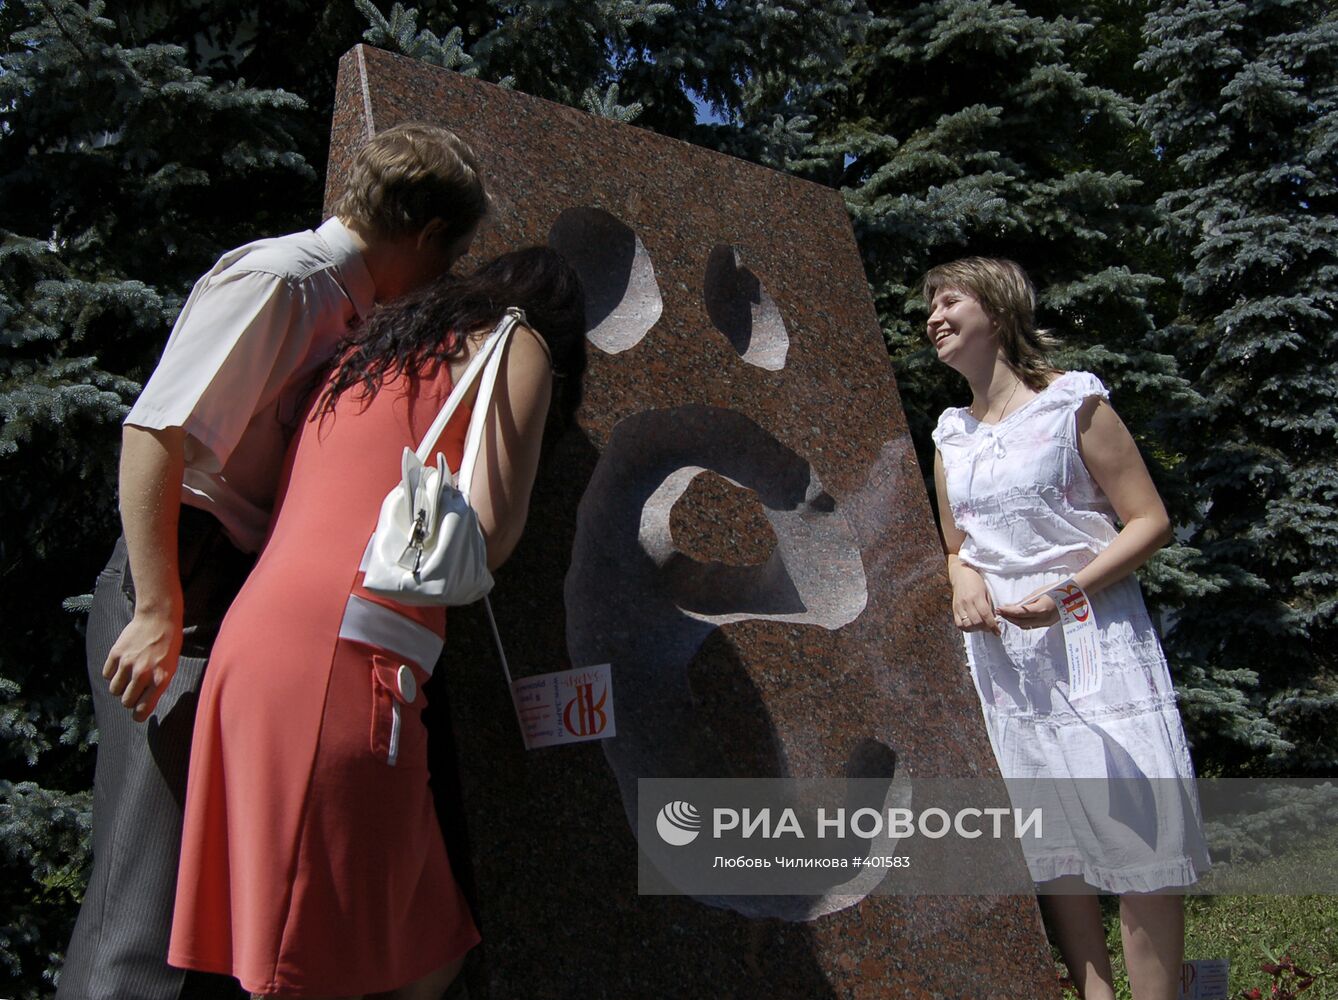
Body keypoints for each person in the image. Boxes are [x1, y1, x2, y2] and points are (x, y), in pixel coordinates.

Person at [61, 123, 491, 1000]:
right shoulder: (284, 282)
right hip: (182, 574)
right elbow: (153, 432)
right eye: (448, 258)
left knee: (201, 901)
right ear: (425, 234)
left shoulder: (344, 307)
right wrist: (158, 608)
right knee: (142, 900)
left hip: (229, 589)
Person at [166, 247, 586, 999]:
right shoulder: (518, 339)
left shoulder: (372, 345)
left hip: (261, 640)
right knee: (308, 967)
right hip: (350, 662)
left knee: (422, 942)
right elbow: (490, 530)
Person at [925, 257, 1209, 1000]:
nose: (932, 318)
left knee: (1140, 836)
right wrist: (964, 584)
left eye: (948, 301)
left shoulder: (1072, 404)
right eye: (929, 308)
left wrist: (1066, 592)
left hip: (1091, 642)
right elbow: (956, 548)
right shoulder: (951, 436)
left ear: (997, 309)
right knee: (1053, 843)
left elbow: (1149, 520)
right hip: (1007, 666)